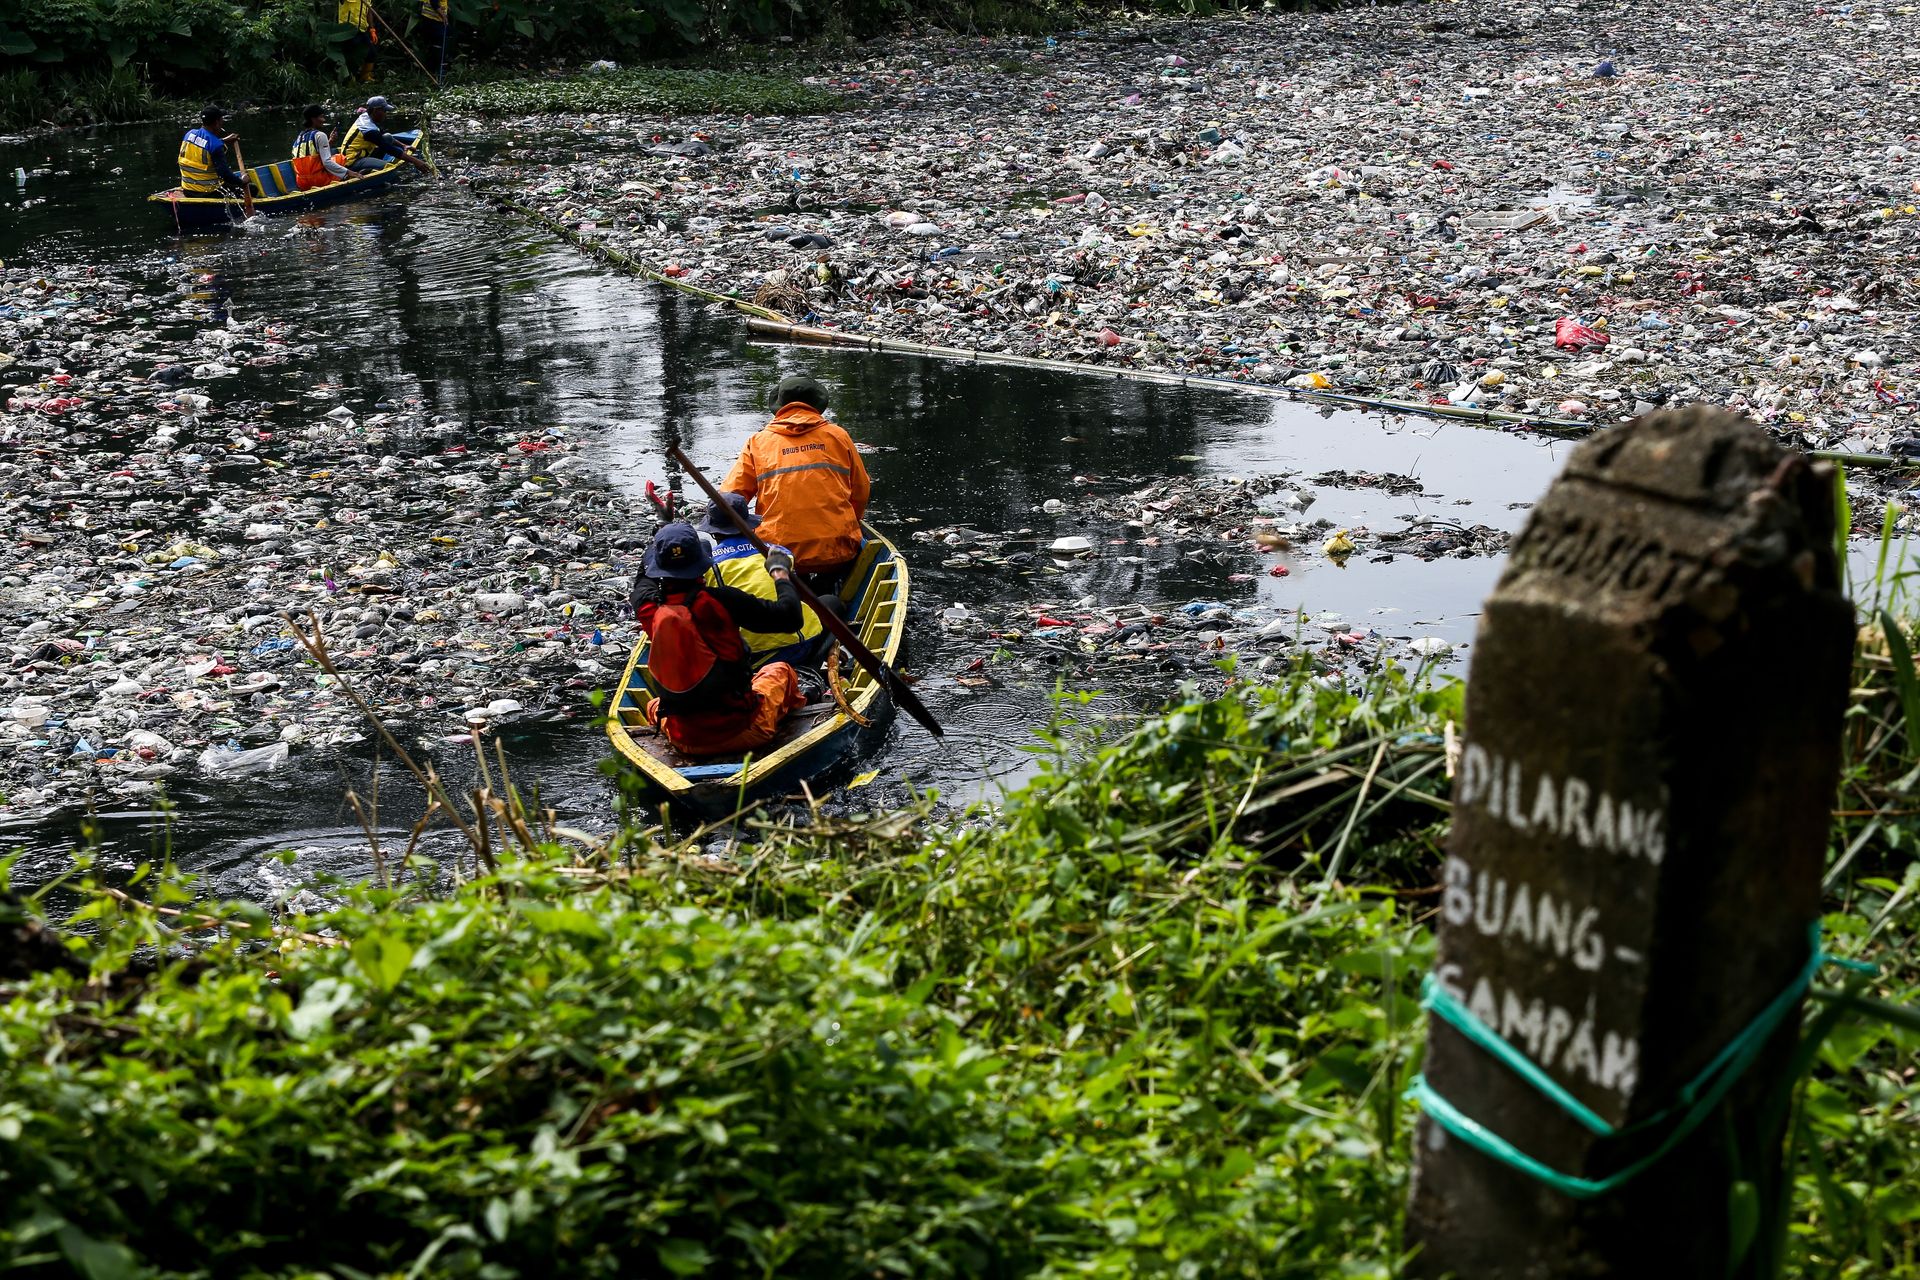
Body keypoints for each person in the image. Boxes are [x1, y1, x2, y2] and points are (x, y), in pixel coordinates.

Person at [629, 522, 808, 757]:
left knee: (654, 706)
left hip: (684, 740)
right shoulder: (723, 601)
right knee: (780, 670)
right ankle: (798, 714)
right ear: (700, 564)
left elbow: (643, 577)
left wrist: (664, 534)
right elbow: (790, 618)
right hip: (746, 732)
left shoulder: (649, 609)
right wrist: (780, 572)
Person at [722, 373, 871, 592]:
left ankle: (797, 593)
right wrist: (848, 525)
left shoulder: (758, 442)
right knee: (836, 576)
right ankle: (827, 591)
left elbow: (729, 499)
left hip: (780, 555)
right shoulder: (838, 435)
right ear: (816, 404)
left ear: (780, 405)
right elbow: (861, 490)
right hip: (837, 551)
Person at [699, 494, 826, 669]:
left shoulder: (708, 567)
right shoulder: (779, 553)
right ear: (749, 524)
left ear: (713, 532)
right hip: (802, 644)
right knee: (831, 603)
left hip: (751, 656)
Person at [338, 96, 431, 175]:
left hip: (362, 153)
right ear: (375, 110)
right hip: (352, 161)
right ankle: (362, 171)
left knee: (387, 136)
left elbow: (382, 134)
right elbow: (389, 149)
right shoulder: (368, 129)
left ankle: (369, 166)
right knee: (389, 167)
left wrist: (403, 146)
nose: (385, 114)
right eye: (384, 111)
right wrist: (416, 161)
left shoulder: (366, 116)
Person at [177, 106, 247, 198]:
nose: (223, 122)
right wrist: (242, 181)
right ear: (217, 123)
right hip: (208, 192)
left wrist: (223, 141)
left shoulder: (189, 134)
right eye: (221, 119)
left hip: (188, 190)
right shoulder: (216, 146)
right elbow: (225, 175)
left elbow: (204, 143)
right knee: (253, 189)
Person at [290, 105, 354, 190]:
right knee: (340, 157)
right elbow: (326, 162)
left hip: (302, 183)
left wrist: (330, 141)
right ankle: (346, 178)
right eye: (321, 117)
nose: (324, 120)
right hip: (318, 181)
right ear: (313, 119)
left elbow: (311, 156)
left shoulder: (299, 138)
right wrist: (350, 173)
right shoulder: (320, 135)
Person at [338, 0, 377, 82]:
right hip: (346, 30)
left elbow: (369, 12)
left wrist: (372, 29)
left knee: (371, 52)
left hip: (362, 30)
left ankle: (365, 76)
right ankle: (350, 79)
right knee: (351, 56)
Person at [418, 0, 451, 81]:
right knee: (438, 47)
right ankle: (436, 73)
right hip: (433, 19)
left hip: (432, 18)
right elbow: (434, 3)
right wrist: (443, 15)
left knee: (436, 46)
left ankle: (433, 73)